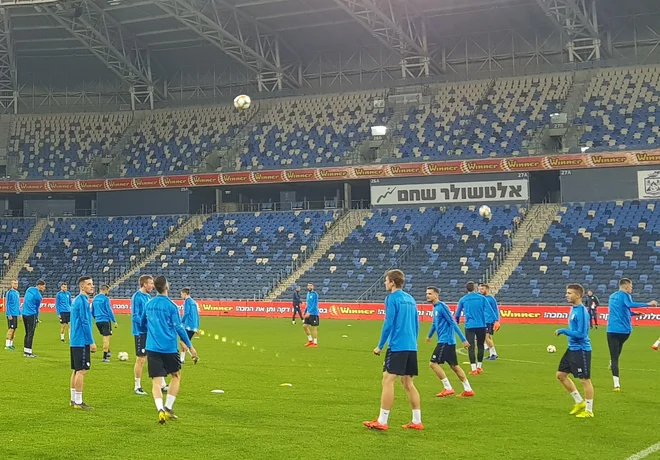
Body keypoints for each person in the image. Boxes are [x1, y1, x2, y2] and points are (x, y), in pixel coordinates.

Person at [364, 269, 423, 431]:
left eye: (386, 280)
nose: (385, 283)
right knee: (408, 382)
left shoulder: (392, 298)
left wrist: (380, 345)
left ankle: (382, 421)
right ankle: (417, 420)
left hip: (398, 346)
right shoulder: (410, 299)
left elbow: (388, 323)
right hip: (411, 346)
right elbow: (417, 324)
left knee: (388, 380)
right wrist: (414, 342)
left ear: (392, 282)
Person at [141, 276, 198, 424]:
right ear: (166, 287)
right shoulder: (172, 306)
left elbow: (142, 322)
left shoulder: (149, 304)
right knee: (176, 375)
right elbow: (179, 327)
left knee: (156, 381)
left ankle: (160, 409)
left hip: (152, 347)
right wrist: (190, 347)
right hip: (169, 348)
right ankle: (168, 407)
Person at [425, 286, 474, 398]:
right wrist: (429, 335)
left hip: (445, 341)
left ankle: (448, 388)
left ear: (436, 295)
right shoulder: (436, 308)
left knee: (433, 363)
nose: (427, 295)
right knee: (454, 366)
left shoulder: (442, 307)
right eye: (427, 293)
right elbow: (434, 323)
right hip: (447, 341)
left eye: (430, 293)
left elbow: (452, 322)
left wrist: (463, 339)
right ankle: (468, 389)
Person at [608, 279, 656, 390]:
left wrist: (634, 313)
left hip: (611, 330)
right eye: (631, 286)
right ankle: (616, 384)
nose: (631, 288)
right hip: (624, 331)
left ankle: (615, 380)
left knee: (615, 356)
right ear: (626, 287)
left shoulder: (612, 297)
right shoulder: (625, 295)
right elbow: (630, 304)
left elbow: (621, 310)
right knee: (616, 355)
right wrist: (648, 304)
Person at [555, 283, 594, 418]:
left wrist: (563, 331)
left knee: (584, 380)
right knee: (560, 375)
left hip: (581, 350)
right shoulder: (573, 309)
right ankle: (579, 402)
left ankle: (589, 411)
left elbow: (582, 334)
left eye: (570, 293)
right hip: (572, 348)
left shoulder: (582, 312)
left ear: (578, 295)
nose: (567, 295)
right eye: (567, 292)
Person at [132, 275, 165, 395]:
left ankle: (162, 383)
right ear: (144, 284)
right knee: (141, 359)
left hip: (150, 332)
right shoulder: (137, 297)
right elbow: (135, 316)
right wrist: (146, 326)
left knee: (157, 356)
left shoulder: (148, 297)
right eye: (150, 283)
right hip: (141, 332)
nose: (152, 285)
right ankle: (137, 386)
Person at [69, 276, 97, 409]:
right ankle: (79, 402)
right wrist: (91, 342)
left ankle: (73, 399)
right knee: (82, 371)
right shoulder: (83, 301)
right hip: (81, 341)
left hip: (74, 340)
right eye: (89, 284)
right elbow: (85, 322)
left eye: (92, 284)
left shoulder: (76, 300)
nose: (92, 286)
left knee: (75, 370)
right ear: (82, 287)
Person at [455, 281, 488, 375]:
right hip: (481, 325)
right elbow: (489, 309)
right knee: (481, 345)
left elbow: (457, 314)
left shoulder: (463, 299)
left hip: (469, 326)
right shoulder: (482, 298)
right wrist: (495, 320)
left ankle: (473, 369)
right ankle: (479, 367)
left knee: (471, 347)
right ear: (475, 288)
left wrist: (456, 321)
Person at [92, 285, 118, 363]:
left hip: (97, 321)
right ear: (106, 290)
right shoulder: (106, 299)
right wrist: (114, 321)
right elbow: (109, 310)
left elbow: (92, 310)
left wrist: (96, 318)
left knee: (105, 336)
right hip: (105, 320)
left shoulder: (95, 298)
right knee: (106, 338)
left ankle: (108, 351)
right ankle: (104, 357)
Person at [22, 280, 45, 358]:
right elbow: (37, 308)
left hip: (24, 314)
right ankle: (29, 352)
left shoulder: (29, 289)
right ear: (40, 285)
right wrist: (37, 318)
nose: (44, 288)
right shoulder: (38, 296)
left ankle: (25, 351)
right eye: (43, 286)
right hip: (31, 315)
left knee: (27, 333)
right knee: (31, 333)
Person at [478, 283, 501, 360]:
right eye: (479, 289)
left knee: (486, 337)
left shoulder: (491, 299)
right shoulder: (480, 298)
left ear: (487, 289)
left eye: (482, 289)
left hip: (488, 320)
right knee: (488, 337)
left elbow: (495, 310)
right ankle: (492, 353)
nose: (480, 290)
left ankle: (494, 353)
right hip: (482, 320)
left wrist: (497, 320)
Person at [180, 288, 200, 364]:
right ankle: (182, 359)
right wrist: (197, 327)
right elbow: (197, 315)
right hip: (194, 326)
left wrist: (181, 321)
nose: (181, 296)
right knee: (185, 342)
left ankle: (193, 355)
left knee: (183, 342)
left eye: (181, 294)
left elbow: (186, 313)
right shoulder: (194, 302)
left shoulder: (187, 301)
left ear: (185, 294)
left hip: (188, 325)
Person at [303, 282, 319, 347]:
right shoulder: (308, 294)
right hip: (308, 312)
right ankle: (310, 341)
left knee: (314, 328)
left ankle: (315, 343)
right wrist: (305, 311)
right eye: (308, 286)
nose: (309, 287)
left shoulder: (315, 294)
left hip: (314, 313)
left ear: (313, 287)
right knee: (304, 326)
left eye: (310, 286)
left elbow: (315, 304)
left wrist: (309, 312)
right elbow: (308, 304)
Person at [4, 279, 20, 350]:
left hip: (16, 314)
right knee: (11, 329)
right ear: (11, 284)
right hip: (11, 314)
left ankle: (11, 344)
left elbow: (17, 304)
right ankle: (7, 345)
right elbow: (7, 304)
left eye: (16, 283)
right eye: (14, 283)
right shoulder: (9, 293)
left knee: (14, 329)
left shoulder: (17, 293)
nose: (16, 285)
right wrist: (8, 314)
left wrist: (20, 313)